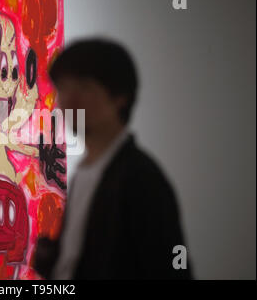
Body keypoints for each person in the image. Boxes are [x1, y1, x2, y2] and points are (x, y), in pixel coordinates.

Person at [33, 39, 192, 279]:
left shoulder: (141, 180)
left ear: (120, 97)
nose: (69, 99)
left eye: (85, 87)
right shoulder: (83, 174)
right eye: (63, 88)